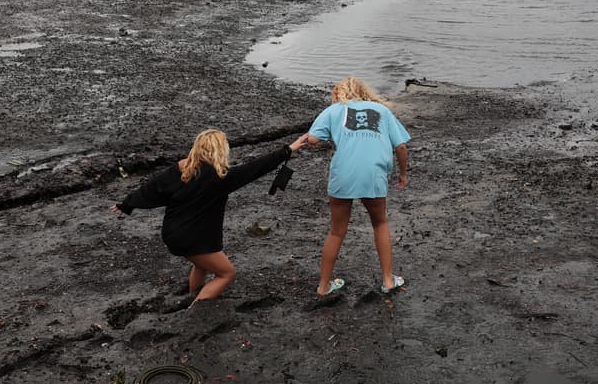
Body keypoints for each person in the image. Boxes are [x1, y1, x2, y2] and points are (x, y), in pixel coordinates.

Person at [112, 129, 308, 304]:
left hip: (173, 234)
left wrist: (127, 205)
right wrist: (289, 149)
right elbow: (256, 167)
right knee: (227, 273)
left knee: (201, 265)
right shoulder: (220, 177)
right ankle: (197, 309)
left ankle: (193, 294)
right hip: (193, 238)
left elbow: (152, 189)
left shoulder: (182, 168)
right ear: (220, 150)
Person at [301, 77, 411, 297]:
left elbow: (313, 139)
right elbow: (401, 146)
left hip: (343, 174)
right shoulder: (381, 111)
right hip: (373, 174)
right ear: (363, 91)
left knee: (336, 231)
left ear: (337, 93)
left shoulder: (334, 111)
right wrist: (403, 174)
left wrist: (330, 136)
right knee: (380, 223)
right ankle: (388, 280)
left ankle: (323, 287)